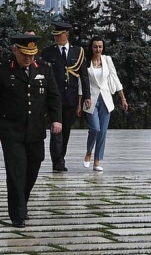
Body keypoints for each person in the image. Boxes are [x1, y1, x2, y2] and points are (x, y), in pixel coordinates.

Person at [0, 32, 62, 227]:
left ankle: (22, 202)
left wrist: (56, 120)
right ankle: (17, 214)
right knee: (16, 170)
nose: (29, 58)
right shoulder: (2, 71)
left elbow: (53, 96)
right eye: (25, 54)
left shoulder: (44, 69)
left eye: (32, 55)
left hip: (35, 128)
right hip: (11, 129)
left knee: (34, 165)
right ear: (15, 50)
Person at [40, 21, 85, 172]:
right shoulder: (48, 52)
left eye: (59, 35)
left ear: (66, 35)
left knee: (65, 131)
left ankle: (61, 156)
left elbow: (83, 76)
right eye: (55, 35)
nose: (56, 38)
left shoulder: (77, 52)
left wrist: (86, 97)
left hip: (70, 98)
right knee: (56, 129)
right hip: (54, 98)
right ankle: (57, 161)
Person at [80, 36, 127, 171]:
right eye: (95, 47)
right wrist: (79, 101)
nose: (98, 49)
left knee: (103, 132)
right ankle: (89, 152)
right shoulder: (85, 62)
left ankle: (97, 160)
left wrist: (123, 98)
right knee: (95, 129)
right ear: (91, 47)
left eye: (100, 47)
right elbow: (81, 83)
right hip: (90, 100)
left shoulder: (107, 60)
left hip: (105, 99)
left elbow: (115, 78)